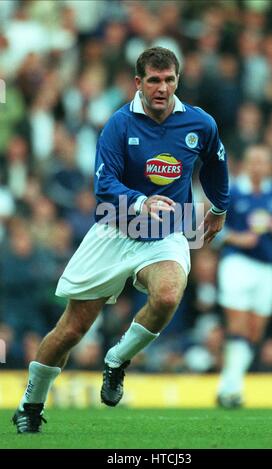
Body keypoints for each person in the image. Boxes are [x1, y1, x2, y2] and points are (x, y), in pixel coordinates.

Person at [12, 47, 229, 433]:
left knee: (166, 295)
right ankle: (30, 403)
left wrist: (220, 206)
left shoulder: (200, 124)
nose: (162, 88)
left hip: (164, 234)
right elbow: (103, 184)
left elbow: (216, 161)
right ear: (138, 83)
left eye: (169, 80)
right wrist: (141, 202)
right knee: (72, 330)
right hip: (115, 228)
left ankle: (116, 360)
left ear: (177, 80)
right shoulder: (118, 124)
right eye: (153, 80)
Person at [216, 144, 272, 408]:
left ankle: (227, 384)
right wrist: (238, 238)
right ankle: (231, 391)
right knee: (236, 326)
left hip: (267, 266)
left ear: (270, 165)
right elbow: (214, 231)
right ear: (246, 164)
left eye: (263, 161)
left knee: (254, 332)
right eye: (254, 161)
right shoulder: (232, 190)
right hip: (237, 263)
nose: (258, 166)